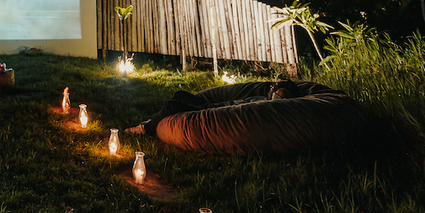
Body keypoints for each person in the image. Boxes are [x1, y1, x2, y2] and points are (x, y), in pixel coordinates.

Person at [126, 80, 301, 137]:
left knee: (171, 106)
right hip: (213, 105)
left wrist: (280, 92)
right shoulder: (264, 99)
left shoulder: (269, 106)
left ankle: (146, 129)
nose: (272, 90)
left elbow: (281, 100)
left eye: (275, 90)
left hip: (214, 111)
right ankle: (153, 122)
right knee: (180, 94)